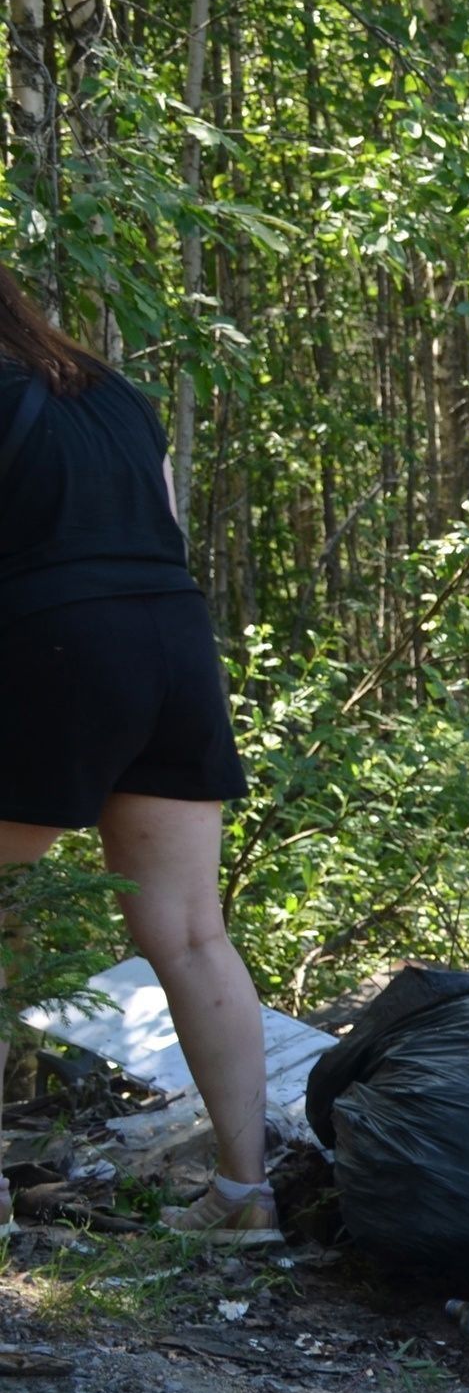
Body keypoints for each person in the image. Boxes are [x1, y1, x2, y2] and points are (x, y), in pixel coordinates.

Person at [0, 266, 276, 1244]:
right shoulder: (106, 387)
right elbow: (163, 522)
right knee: (194, 931)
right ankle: (247, 1198)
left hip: (60, 643)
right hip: (173, 645)